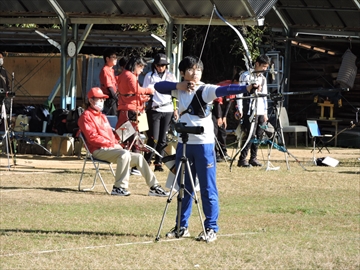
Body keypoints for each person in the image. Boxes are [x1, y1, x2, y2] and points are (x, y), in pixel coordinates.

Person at [154, 55, 256, 242]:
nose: (195, 73)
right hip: (185, 144)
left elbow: (226, 89)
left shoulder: (206, 90)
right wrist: (179, 86)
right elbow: (158, 87)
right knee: (184, 187)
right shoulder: (179, 89)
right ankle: (181, 227)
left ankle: (211, 228)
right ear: (183, 73)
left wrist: (246, 88)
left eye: (198, 70)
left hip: (204, 145)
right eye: (191, 70)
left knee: (208, 188)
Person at [78, 87, 169, 197]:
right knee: (124, 154)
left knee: (139, 157)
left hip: (112, 149)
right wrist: (112, 144)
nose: (102, 101)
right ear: (91, 101)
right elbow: (92, 138)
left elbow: (114, 137)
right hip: (98, 150)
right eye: (99, 99)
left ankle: (154, 187)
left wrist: (130, 127)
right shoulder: (85, 116)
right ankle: (119, 188)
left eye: (103, 99)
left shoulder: (102, 116)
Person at [115, 55, 154, 175]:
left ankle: (131, 164)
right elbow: (136, 90)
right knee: (134, 138)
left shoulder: (124, 75)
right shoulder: (130, 76)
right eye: (141, 67)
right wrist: (149, 90)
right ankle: (136, 166)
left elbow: (130, 93)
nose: (142, 70)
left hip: (126, 108)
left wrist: (141, 98)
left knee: (128, 137)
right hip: (131, 110)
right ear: (136, 65)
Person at [142, 53, 178, 172]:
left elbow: (175, 94)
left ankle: (159, 162)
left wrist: (175, 109)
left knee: (163, 138)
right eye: (159, 65)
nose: (161, 67)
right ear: (155, 65)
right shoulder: (149, 76)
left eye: (163, 65)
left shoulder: (171, 76)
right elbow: (145, 92)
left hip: (167, 109)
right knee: (153, 137)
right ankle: (146, 161)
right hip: (155, 109)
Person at [235, 54, 270, 167]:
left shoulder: (263, 78)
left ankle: (253, 158)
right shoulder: (246, 76)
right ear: (257, 64)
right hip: (249, 109)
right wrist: (239, 108)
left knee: (258, 134)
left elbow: (264, 96)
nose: (264, 69)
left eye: (266, 67)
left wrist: (265, 112)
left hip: (260, 110)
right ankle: (242, 159)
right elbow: (239, 92)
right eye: (263, 66)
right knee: (249, 134)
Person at [213, 72, 239, 162]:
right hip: (213, 108)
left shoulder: (234, 88)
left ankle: (223, 153)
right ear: (235, 81)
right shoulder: (225, 86)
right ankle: (215, 154)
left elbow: (228, 103)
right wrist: (219, 117)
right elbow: (217, 103)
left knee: (223, 132)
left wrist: (224, 117)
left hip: (221, 110)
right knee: (215, 132)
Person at [99, 49, 119, 115]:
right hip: (109, 98)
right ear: (107, 59)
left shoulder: (111, 70)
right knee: (113, 117)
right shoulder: (105, 70)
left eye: (116, 57)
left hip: (113, 97)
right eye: (114, 57)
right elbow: (109, 87)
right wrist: (117, 98)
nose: (116, 59)